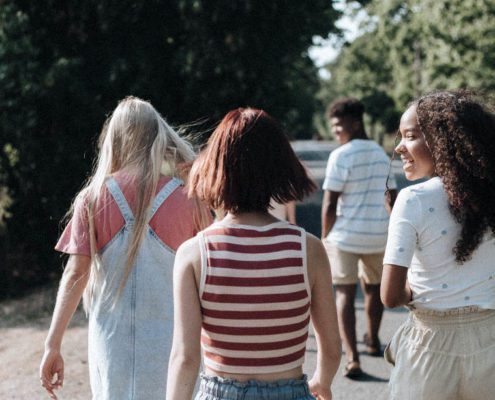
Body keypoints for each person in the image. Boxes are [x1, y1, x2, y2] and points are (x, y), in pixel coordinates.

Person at [40, 96, 211, 400]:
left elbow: (75, 274)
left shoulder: (91, 199)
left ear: (114, 139)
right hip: (175, 344)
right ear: (156, 135)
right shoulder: (190, 199)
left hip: (111, 342)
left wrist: (52, 344)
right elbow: (212, 275)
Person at [167, 108, 341, 400]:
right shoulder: (307, 248)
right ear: (281, 168)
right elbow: (332, 347)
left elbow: (185, 358)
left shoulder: (195, 253)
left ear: (215, 168)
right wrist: (322, 381)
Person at [382, 90, 495, 400]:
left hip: (430, 344)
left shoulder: (413, 200)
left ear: (442, 139)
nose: (399, 147)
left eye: (410, 136)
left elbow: (390, 296)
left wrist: (413, 291)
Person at [321, 97, 397, 377]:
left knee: (344, 293)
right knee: (374, 289)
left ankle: (352, 357)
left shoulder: (340, 156)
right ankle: (374, 340)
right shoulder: (380, 153)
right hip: (379, 234)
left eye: (339, 126)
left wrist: (324, 236)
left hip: (345, 237)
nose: (336, 132)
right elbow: (392, 196)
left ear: (355, 123)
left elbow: (329, 204)